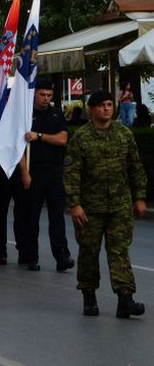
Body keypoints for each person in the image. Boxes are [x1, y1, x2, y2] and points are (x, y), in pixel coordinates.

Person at [64, 90, 148, 318]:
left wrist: (139, 197)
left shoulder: (123, 134)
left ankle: (125, 298)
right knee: (89, 252)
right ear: (92, 109)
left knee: (119, 252)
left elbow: (135, 167)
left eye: (110, 104)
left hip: (119, 205)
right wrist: (75, 205)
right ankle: (89, 296)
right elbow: (71, 173)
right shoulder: (81, 137)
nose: (107, 109)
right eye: (101, 105)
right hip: (90, 207)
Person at [23, 78, 74, 272]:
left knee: (57, 216)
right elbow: (18, 148)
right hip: (33, 170)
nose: (46, 99)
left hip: (54, 171)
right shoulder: (26, 115)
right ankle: (31, 256)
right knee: (31, 216)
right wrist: (24, 172)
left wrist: (40, 136)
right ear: (34, 94)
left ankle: (62, 255)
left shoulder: (56, 114)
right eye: (42, 95)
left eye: (49, 95)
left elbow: (63, 139)